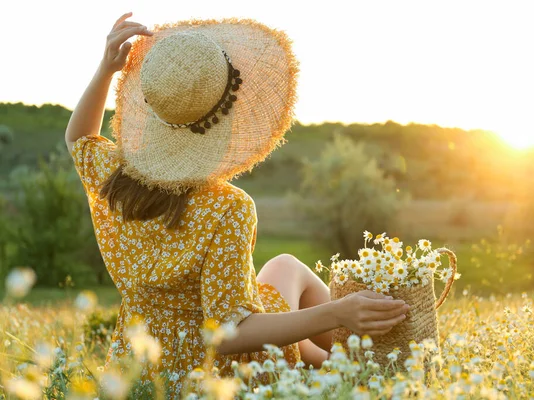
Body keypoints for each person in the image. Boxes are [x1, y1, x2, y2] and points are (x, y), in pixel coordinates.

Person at [65, 12, 410, 397]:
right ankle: (385, 364)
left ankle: (337, 364)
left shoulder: (116, 179)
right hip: (215, 379)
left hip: (138, 374)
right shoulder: (227, 207)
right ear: (226, 115)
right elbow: (228, 335)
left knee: (282, 271)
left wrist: (105, 70)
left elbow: (78, 137)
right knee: (286, 270)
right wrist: (338, 312)